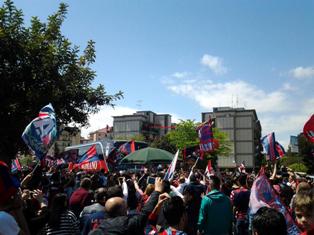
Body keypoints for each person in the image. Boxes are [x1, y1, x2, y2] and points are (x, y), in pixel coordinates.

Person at [98, 177, 164, 235]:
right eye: (125, 207)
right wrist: (157, 191)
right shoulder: (129, 224)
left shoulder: (97, 229)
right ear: (122, 210)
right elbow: (145, 212)